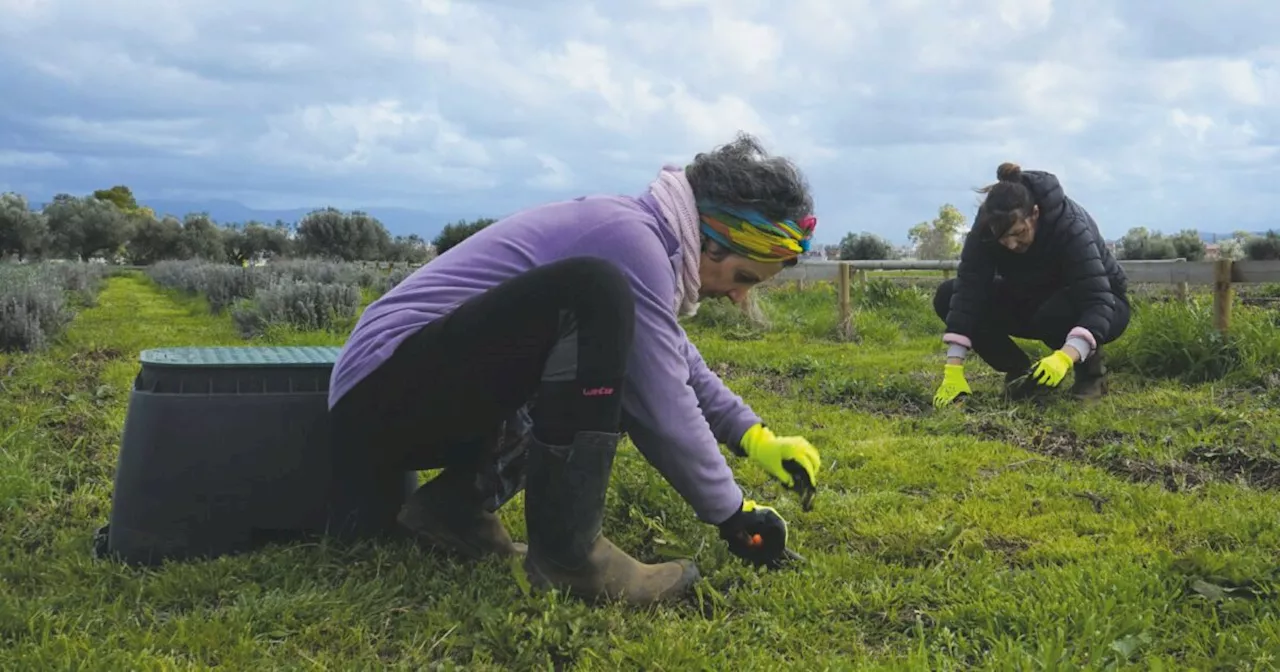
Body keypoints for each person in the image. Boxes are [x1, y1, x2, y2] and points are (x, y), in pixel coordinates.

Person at [324, 132, 822, 606]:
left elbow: (675, 359)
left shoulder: (643, 239)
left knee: (615, 342)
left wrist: (755, 437)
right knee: (596, 291)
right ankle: (568, 556)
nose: (738, 297)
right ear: (712, 238)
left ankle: (453, 510)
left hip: (407, 395)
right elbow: (661, 399)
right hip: (385, 393)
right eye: (743, 277)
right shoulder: (630, 240)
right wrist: (733, 515)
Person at [931, 162, 1129, 406]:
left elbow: (1097, 301)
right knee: (947, 295)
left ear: (1034, 214)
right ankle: (1020, 373)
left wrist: (1065, 357)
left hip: (1104, 303)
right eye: (1002, 238)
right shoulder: (988, 225)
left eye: (1018, 233)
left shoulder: (1069, 225)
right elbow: (967, 291)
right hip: (1033, 295)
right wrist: (953, 369)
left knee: (1055, 311)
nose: (1011, 245)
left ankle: (1091, 375)